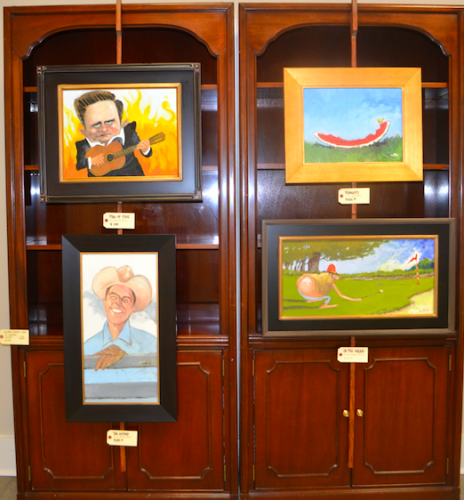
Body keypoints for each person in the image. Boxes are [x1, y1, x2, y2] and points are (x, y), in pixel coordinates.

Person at [84, 265, 157, 370]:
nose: (118, 303)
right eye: (114, 297)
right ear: (105, 303)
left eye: (125, 299)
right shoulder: (87, 348)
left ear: (132, 308)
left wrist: (127, 359)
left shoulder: (151, 344)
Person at [74, 90, 152, 177]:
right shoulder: (83, 146)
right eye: (96, 124)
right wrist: (90, 161)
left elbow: (145, 152)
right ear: (84, 131)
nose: (104, 129)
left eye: (110, 122)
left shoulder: (129, 134)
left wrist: (145, 150)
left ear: (121, 121)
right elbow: (79, 165)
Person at [296, 263, 362, 309]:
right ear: (331, 274)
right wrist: (355, 299)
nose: (336, 276)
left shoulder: (323, 275)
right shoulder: (330, 280)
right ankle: (323, 306)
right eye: (335, 274)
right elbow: (341, 295)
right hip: (307, 290)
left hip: (300, 288)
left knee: (321, 296)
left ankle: (312, 300)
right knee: (328, 297)